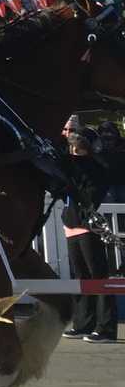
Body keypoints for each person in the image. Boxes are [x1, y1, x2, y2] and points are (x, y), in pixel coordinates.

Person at [62, 123, 118, 344]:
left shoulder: (96, 168)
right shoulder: (71, 165)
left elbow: (90, 195)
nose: (73, 149)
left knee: (98, 276)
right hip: (72, 225)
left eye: (77, 145)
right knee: (81, 277)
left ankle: (106, 328)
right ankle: (83, 322)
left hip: (88, 226)